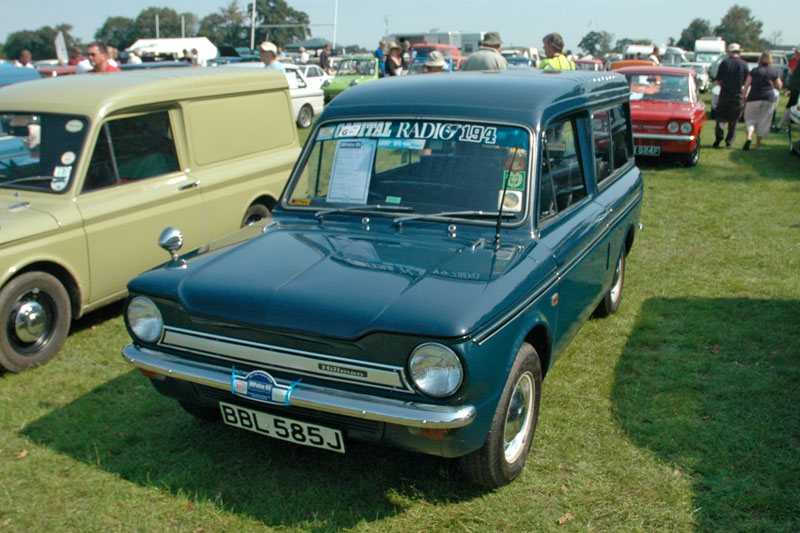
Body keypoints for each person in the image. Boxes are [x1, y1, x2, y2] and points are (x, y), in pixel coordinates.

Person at [742, 52, 783, 150]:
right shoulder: (774, 71)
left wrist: (743, 96)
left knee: (750, 120)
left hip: (753, 98)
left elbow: (747, 84)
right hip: (768, 98)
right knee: (763, 122)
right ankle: (757, 145)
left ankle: (749, 136)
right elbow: (779, 85)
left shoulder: (754, 71)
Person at [713, 43, 749, 148]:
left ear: (729, 51)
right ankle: (730, 140)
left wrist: (724, 86)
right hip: (737, 95)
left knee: (720, 117)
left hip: (724, 94)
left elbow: (718, 80)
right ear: (739, 51)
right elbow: (746, 81)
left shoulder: (724, 63)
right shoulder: (744, 64)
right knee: (734, 119)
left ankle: (719, 136)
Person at [773, 48, 800, 132]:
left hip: (797, 90)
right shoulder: (798, 63)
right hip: (795, 89)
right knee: (791, 108)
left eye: (797, 53)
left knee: (790, 108)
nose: (796, 55)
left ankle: (779, 126)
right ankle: (782, 126)